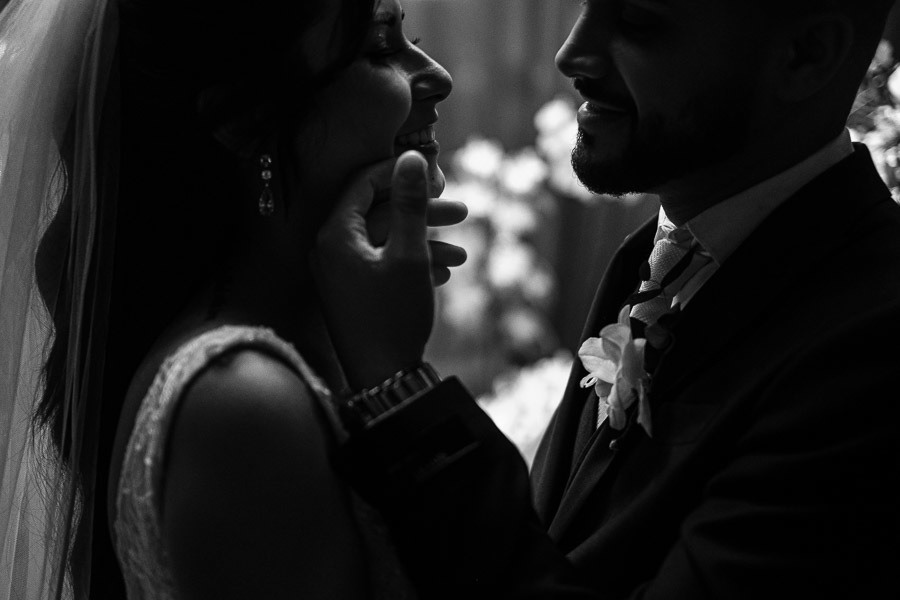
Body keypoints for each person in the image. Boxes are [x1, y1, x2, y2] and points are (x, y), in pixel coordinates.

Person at [313, 0, 900, 597]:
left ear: (808, 55)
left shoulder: (875, 339)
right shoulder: (654, 259)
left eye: (638, 22)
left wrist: (399, 387)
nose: (572, 55)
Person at [0, 0, 465, 598]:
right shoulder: (243, 406)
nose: (436, 76)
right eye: (379, 48)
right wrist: (398, 383)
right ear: (246, 120)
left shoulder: (276, 353)